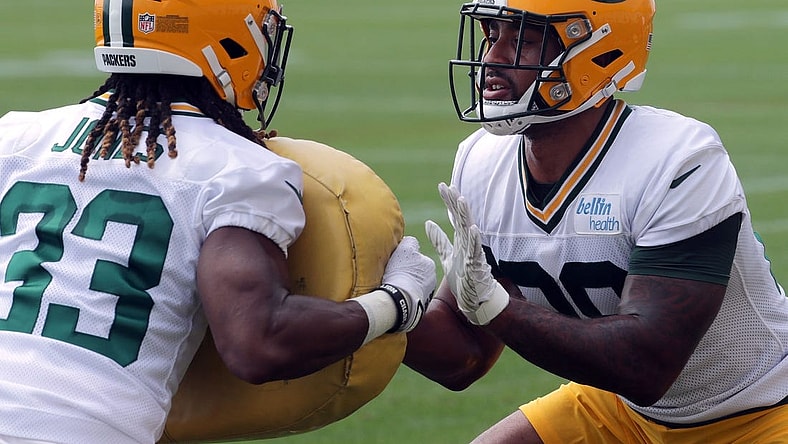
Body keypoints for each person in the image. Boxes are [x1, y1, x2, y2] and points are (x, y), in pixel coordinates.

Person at [0, 0, 435, 442]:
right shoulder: (240, 168)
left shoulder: (15, 136)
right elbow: (258, 343)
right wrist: (397, 302)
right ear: (225, 39)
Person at [404, 0, 788, 442]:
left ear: (595, 52)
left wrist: (496, 307)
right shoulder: (480, 162)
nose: (492, 59)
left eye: (523, 42)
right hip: (625, 411)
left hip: (759, 411)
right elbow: (462, 357)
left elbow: (646, 365)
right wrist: (384, 305)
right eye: (492, 36)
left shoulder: (678, 159)